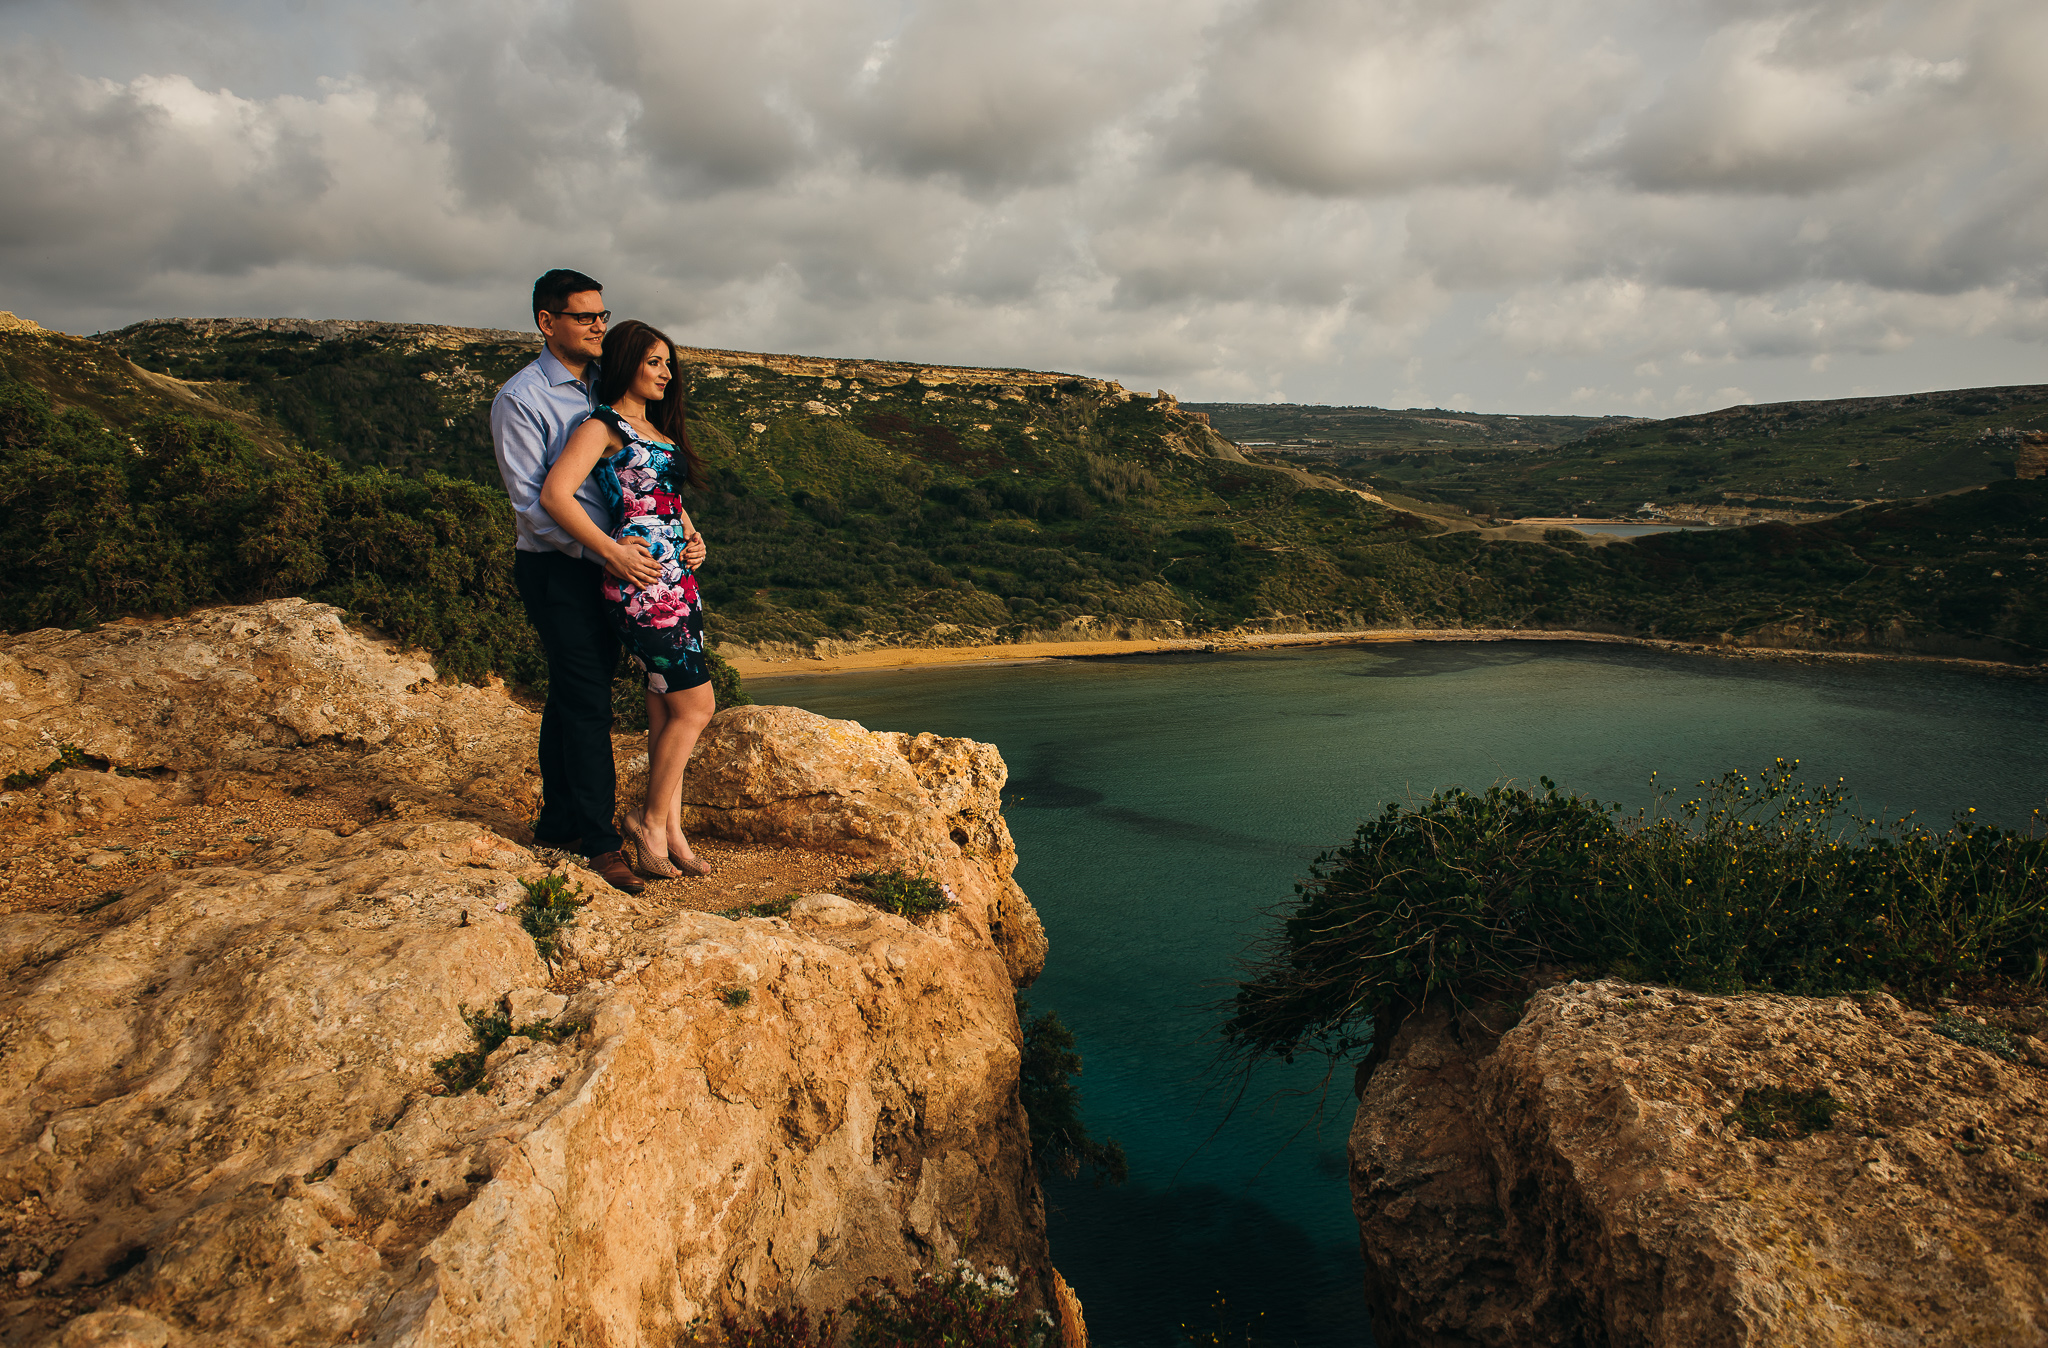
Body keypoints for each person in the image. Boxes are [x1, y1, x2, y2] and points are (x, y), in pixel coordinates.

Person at [489, 270, 703, 894]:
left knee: (572, 691)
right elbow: (533, 504)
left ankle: (560, 821)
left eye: (603, 316)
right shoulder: (523, 398)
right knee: (587, 698)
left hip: (620, 566)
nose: (598, 326)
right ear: (546, 322)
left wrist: (675, 533)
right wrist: (604, 551)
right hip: (560, 565)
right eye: (584, 317)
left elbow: (645, 482)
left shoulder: (604, 391)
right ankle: (603, 843)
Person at [539, 319, 716, 880]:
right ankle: (647, 819)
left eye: (669, 363)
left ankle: (671, 829)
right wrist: (610, 550)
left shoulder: (657, 428)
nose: (667, 373)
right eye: (655, 362)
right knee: (697, 706)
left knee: (667, 704)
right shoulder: (603, 425)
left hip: (678, 579)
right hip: (643, 585)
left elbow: (664, 497)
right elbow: (554, 494)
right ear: (626, 364)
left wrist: (692, 534)